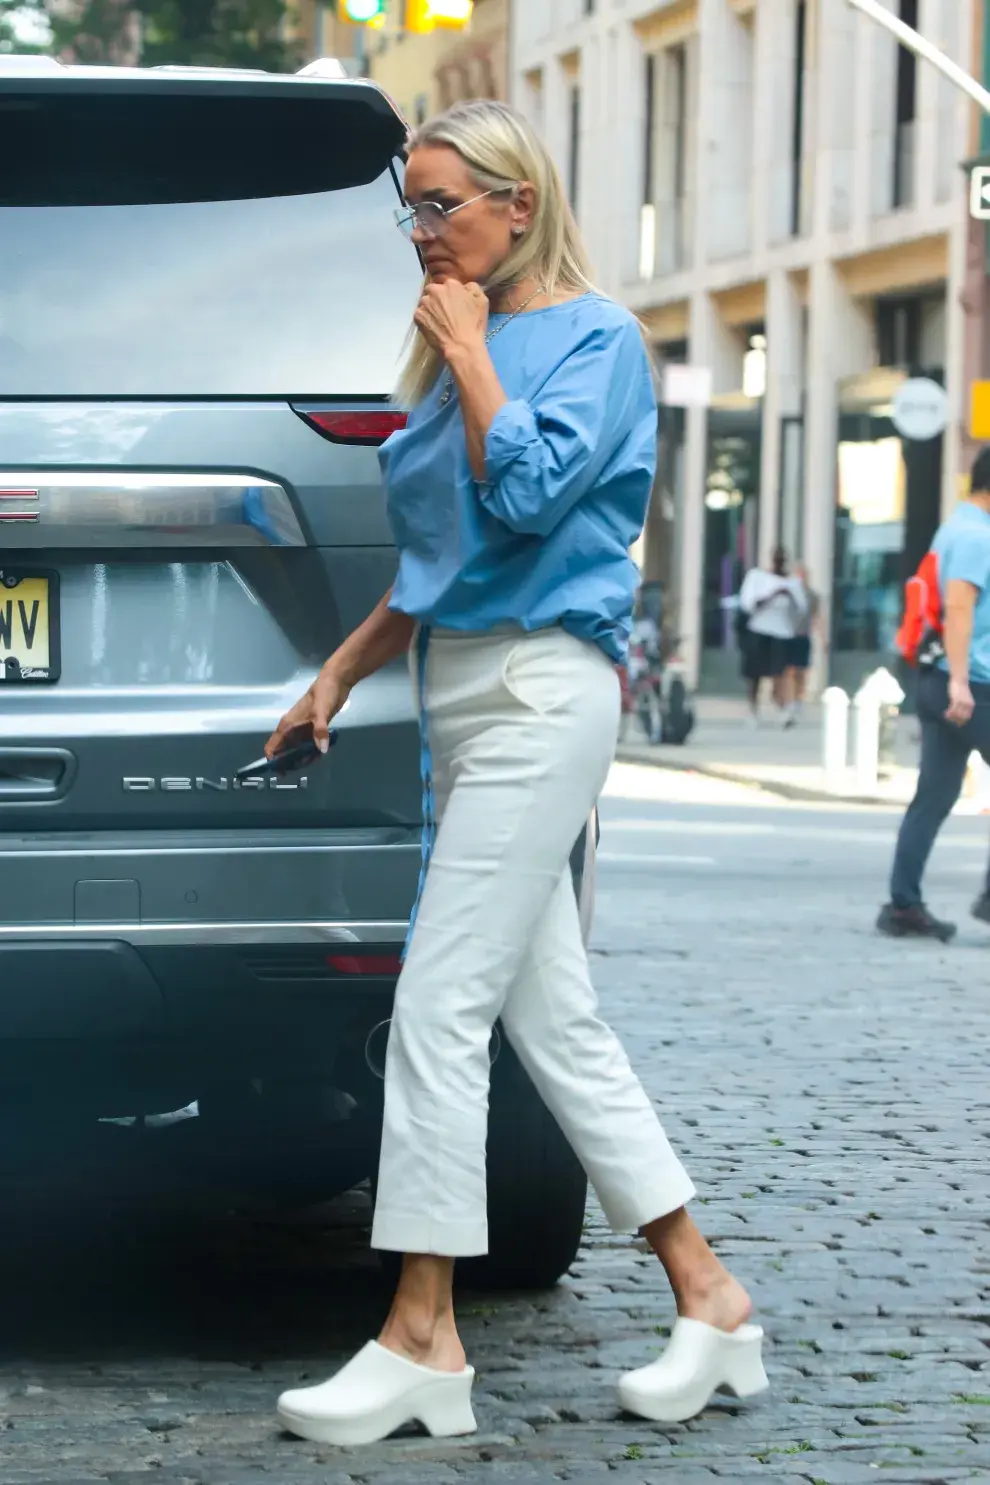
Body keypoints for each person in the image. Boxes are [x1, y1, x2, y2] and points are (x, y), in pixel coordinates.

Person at [264, 100, 766, 1447]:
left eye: (441, 205)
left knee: (438, 1001)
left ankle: (421, 1333)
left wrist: (475, 356)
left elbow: (535, 496)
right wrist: (339, 671)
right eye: (410, 210)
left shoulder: (593, 337)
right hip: (460, 698)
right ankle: (710, 1300)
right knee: (554, 1022)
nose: (421, 234)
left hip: (550, 684)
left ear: (515, 205)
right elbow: (434, 563)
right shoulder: (440, 350)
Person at [878, 447, 990, 942]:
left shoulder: (956, 525)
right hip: (971, 684)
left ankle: (904, 905)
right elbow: (960, 610)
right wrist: (960, 682)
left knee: (935, 794)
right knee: (933, 795)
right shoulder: (976, 536)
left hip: (941, 679)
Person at [737, 548, 806, 723]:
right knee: (755, 675)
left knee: (780, 672)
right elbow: (747, 604)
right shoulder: (757, 578)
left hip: (781, 632)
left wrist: (789, 595)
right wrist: (773, 595)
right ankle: (753, 709)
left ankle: (783, 707)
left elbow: (802, 609)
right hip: (759, 630)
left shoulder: (792, 583)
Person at [784, 564, 820, 726]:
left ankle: (799, 701)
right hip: (789, 636)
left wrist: (823, 637)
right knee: (789, 670)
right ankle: (790, 702)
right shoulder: (789, 595)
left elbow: (816, 617)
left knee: (802, 671)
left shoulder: (812, 596)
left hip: (804, 636)